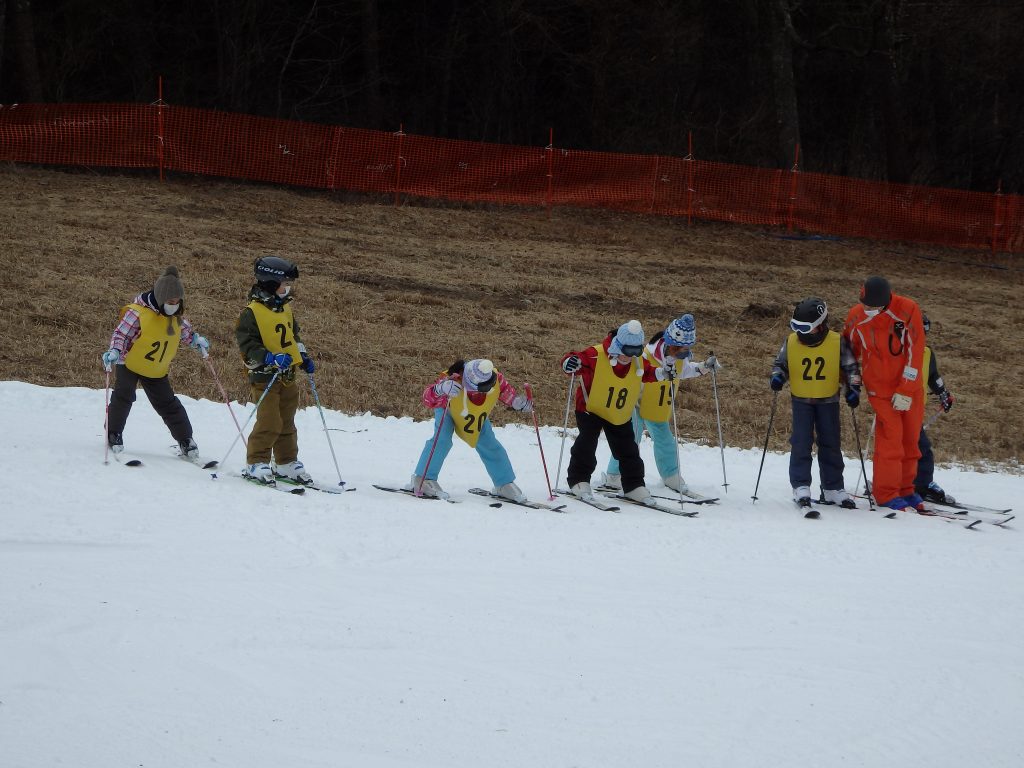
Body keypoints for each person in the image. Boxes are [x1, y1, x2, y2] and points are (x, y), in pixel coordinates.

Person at [600, 314, 721, 493]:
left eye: (687, 349)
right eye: (680, 348)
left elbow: (685, 370)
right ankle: (614, 475)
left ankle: (671, 476)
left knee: (665, 439)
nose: (683, 353)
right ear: (669, 342)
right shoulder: (647, 354)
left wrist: (703, 367)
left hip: (657, 404)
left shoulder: (681, 357)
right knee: (630, 438)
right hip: (635, 402)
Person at [560, 320, 673, 502]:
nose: (629, 357)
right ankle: (579, 480)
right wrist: (569, 362)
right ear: (617, 345)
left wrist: (663, 373)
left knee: (628, 448)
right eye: (626, 351)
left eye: (635, 352)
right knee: (586, 443)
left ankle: (633, 485)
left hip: (618, 411)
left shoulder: (637, 361)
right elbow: (575, 358)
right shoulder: (596, 354)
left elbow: (649, 372)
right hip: (591, 407)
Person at [102, 266, 210, 458]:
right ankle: (114, 432)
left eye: (177, 302)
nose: (174, 306)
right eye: (170, 302)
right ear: (160, 298)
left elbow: (184, 333)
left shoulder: (175, 316)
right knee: (123, 396)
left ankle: (186, 439)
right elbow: (121, 334)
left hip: (155, 367)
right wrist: (115, 351)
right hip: (130, 362)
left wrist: (195, 341)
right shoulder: (138, 313)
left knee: (167, 403)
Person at [843, 276, 926, 512]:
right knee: (891, 440)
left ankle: (906, 489)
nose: (867, 310)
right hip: (879, 389)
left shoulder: (908, 310)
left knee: (911, 439)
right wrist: (850, 382)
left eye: (872, 307)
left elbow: (915, 350)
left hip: (909, 389)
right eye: (864, 305)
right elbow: (847, 351)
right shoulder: (857, 316)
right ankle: (886, 493)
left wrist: (906, 390)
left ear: (885, 302)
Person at [770, 298, 860, 509]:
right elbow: (780, 364)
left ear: (820, 325)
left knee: (830, 444)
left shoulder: (837, 342)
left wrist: (854, 390)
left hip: (828, 400)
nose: (800, 332)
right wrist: (777, 377)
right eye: (796, 327)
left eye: (805, 328)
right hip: (801, 400)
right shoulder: (791, 341)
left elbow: (851, 368)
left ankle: (832, 488)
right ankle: (801, 485)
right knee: (801, 442)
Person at [236, 256, 317, 485]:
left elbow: (293, 337)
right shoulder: (251, 313)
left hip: (288, 376)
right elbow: (247, 344)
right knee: (269, 421)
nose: (288, 287)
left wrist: (302, 357)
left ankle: (285, 462)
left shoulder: (285, 309)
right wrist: (269, 357)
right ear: (270, 282)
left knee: (287, 421)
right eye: (284, 283)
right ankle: (257, 462)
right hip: (265, 376)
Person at [404, 358, 534, 501]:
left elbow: (504, 391)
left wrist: (517, 402)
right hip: (448, 409)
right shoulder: (451, 380)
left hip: (474, 413)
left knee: (489, 443)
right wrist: (440, 389)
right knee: (442, 440)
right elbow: (427, 398)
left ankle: (503, 483)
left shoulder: (495, 377)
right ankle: (423, 478)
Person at [913, 313, 957, 504]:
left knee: (919, 448)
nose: (922, 336)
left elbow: (933, 377)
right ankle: (919, 485)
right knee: (920, 449)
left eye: (925, 333)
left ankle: (919, 484)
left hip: (915, 411)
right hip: (898, 408)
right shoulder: (899, 352)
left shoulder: (927, 353)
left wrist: (943, 394)